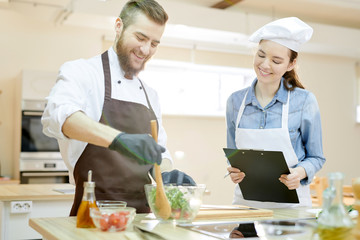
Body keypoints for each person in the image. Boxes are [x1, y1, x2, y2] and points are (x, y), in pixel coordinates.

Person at [41, 0, 193, 216]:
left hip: (142, 221)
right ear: (119, 26)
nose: (146, 49)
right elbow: (58, 116)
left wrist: (167, 175)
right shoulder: (82, 72)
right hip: (92, 218)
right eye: (140, 38)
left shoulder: (150, 94)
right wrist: (119, 139)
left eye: (154, 43)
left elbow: (158, 148)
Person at [226, 17, 326, 208]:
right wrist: (234, 171)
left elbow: (317, 157)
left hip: (292, 208)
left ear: (290, 64)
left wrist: (300, 172)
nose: (265, 65)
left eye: (276, 60)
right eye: (261, 55)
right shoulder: (235, 102)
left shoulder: (304, 101)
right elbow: (233, 154)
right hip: (246, 206)